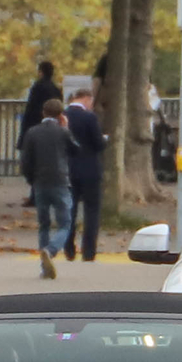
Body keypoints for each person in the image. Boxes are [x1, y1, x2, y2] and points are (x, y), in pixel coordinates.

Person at [19, 96, 74, 278]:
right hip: (60, 181)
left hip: (40, 183)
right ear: (61, 115)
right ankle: (50, 251)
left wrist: (31, 180)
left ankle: (44, 266)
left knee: (44, 224)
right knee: (65, 223)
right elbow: (76, 150)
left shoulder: (32, 132)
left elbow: (26, 161)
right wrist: (66, 128)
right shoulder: (62, 132)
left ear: (43, 112)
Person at [63, 87, 106, 261]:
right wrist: (104, 140)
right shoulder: (89, 118)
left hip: (68, 169)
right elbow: (98, 143)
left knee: (69, 210)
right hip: (90, 170)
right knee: (92, 211)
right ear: (87, 99)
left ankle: (68, 247)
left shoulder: (63, 116)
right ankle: (88, 251)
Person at [22, 61, 63, 139]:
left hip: (36, 124)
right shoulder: (56, 88)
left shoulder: (37, 86)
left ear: (41, 72)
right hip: (53, 126)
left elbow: (31, 108)